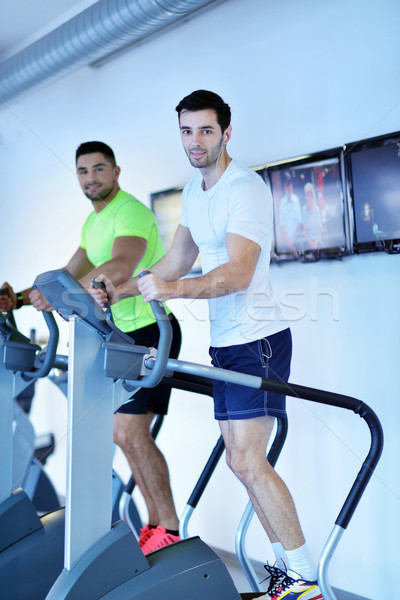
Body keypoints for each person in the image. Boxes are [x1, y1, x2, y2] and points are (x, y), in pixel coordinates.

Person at [90, 92, 323, 599]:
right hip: (226, 342)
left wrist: (170, 291)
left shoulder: (246, 189)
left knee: (250, 462)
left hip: (257, 338)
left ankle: (305, 579)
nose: (195, 142)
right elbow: (173, 263)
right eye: (186, 131)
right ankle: (294, 578)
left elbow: (238, 274)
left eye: (205, 131)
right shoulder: (196, 193)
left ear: (226, 133)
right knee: (242, 463)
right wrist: (122, 288)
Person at [0, 141, 182, 554]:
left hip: (147, 332)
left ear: (116, 171)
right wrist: (24, 298)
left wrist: (66, 293)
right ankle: (156, 525)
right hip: (119, 337)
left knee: (128, 433)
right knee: (124, 435)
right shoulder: (92, 223)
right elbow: (67, 275)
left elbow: (121, 267)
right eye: (83, 171)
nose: (91, 178)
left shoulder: (130, 211)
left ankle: (167, 526)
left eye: (99, 169)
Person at [277, 171, 303, 254]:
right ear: (284, 187)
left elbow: (299, 223)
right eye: (287, 186)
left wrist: (294, 241)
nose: (289, 188)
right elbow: (281, 225)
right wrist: (289, 242)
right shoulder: (282, 202)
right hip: (286, 243)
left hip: (296, 241)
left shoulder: (296, 200)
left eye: (290, 185)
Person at [301, 182, 323, 250]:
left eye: (309, 195)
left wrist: (315, 243)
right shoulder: (304, 210)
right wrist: (310, 243)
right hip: (308, 243)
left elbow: (320, 231)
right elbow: (304, 232)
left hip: (317, 242)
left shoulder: (317, 209)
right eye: (306, 195)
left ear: (313, 196)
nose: (308, 197)